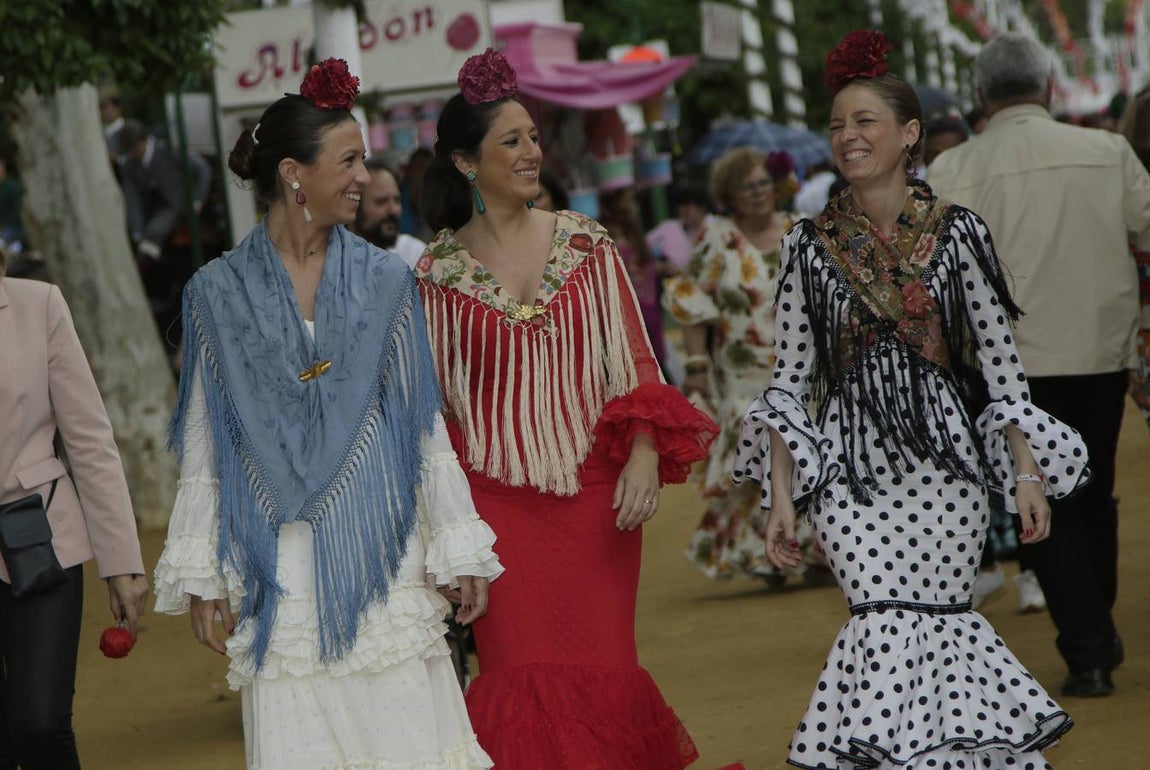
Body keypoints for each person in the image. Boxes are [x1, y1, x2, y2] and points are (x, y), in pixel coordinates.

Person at [735, 31, 1089, 768]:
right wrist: (779, 498)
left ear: (909, 133)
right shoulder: (810, 244)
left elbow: (1001, 366)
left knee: (942, 623)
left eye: (864, 121)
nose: (847, 137)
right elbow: (790, 377)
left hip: (944, 469)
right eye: (836, 125)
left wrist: (1026, 472)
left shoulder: (958, 233)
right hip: (851, 473)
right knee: (879, 618)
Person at [153, 58, 502, 770]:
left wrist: (455, 544)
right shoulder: (214, 293)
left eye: (365, 160)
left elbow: (421, 425)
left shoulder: (386, 282)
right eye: (348, 160)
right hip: (278, 568)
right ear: (292, 174)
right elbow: (205, 441)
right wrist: (202, 572)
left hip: (384, 558)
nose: (364, 179)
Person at [415, 48, 717, 769]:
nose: (530, 153)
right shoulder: (436, 275)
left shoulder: (588, 244)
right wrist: (453, 534)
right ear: (466, 163)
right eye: (509, 141)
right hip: (496, 513)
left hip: (595, 501)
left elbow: (637, 364)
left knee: (607, 676)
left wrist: (644, 451)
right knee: (515, 684)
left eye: (533, 138)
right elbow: (435, 415)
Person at [930, 31, 1150, 698]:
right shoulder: (1107, 150)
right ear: (1049, 86)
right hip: (1098, 348)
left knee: (1039, 497)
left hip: (1006, 367)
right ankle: (1093, 633)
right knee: (1093, 489)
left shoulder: (951, 169)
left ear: (978, 95)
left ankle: (1089, 645)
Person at [0, 249, 149, 768]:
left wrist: (121, 562)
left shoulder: (38, 305)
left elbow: (88, 438)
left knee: (39, 725)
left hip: (42, 541)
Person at [665, 147, 825, 584]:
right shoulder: (718, 238)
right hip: (742, 374)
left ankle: (814, 553)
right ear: (729, 196)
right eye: (746, 187)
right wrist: (695, 367)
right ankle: (763, 556)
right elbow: (693, 302)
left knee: (808, 460)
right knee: (755, 467)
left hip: (806, 371)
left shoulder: (801, 230)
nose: (757, 193)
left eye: (762, 183)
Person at [600, 186, 672, 375]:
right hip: (627, 312)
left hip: (649, 307)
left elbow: (642, 267)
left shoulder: (633, 234)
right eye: (628, 199)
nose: (634, 206)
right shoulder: (606, 236)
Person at [351, 157, 426, 267]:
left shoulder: (414, 253)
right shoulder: (333, 261)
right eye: (381, 202)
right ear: (354, 206)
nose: (394, 210)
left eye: (397, 200)